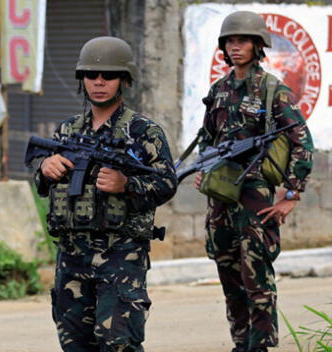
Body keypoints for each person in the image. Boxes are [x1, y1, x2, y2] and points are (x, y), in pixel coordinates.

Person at [34, 36, 177, 352]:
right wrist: (45, 168)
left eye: (109, 76)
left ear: (124, 80)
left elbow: (167, 183)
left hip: (120, 256)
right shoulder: (67, 130)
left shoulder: (142, 132)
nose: (99, 82)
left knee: (118, 344)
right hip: (71, 256)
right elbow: (43, 178)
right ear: (81, 79)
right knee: (75, 344)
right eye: (91, 75)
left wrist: (126, 185)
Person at [195, 11, 313, 352]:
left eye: (243, 40)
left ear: (258, 45)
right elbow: (208, 136)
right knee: (229, 274)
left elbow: (301, 142)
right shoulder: (218, 90)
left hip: (256, 195)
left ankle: (259, 345)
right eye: (230, 41)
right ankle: (241, 343)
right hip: (221, 196)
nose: (235, 47)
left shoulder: (273, 90)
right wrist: (204, 165)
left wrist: (291, 193)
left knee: (256, 275)